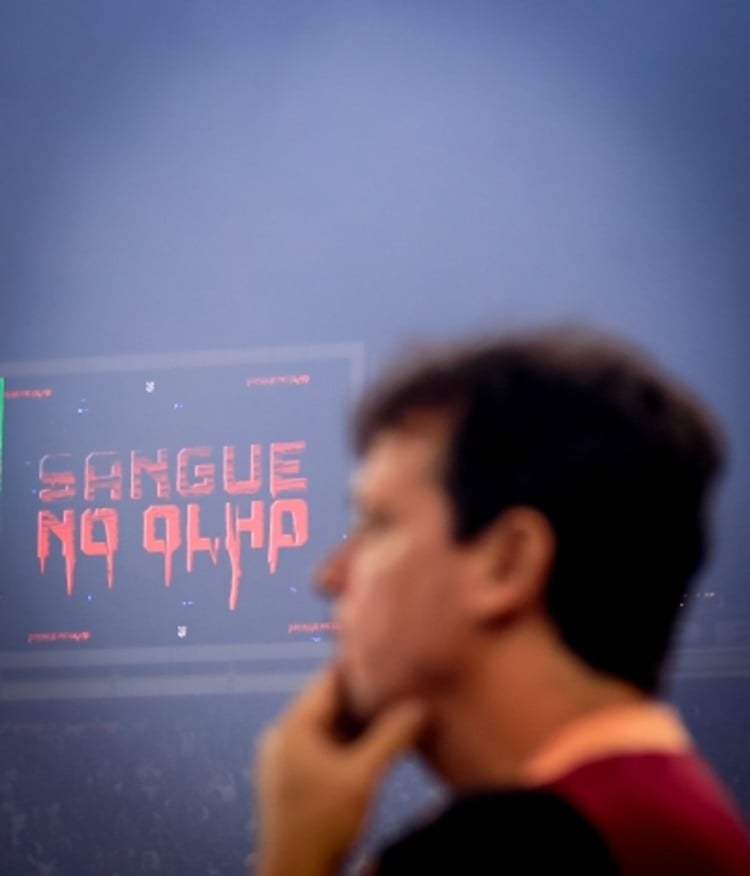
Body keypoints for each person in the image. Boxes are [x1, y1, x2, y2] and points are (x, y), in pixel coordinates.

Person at [254, 327, 750, 875]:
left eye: (378, 524)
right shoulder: (686, 822)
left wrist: (293, 861)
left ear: (508, 563)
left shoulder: (501, 853)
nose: (328, 576)